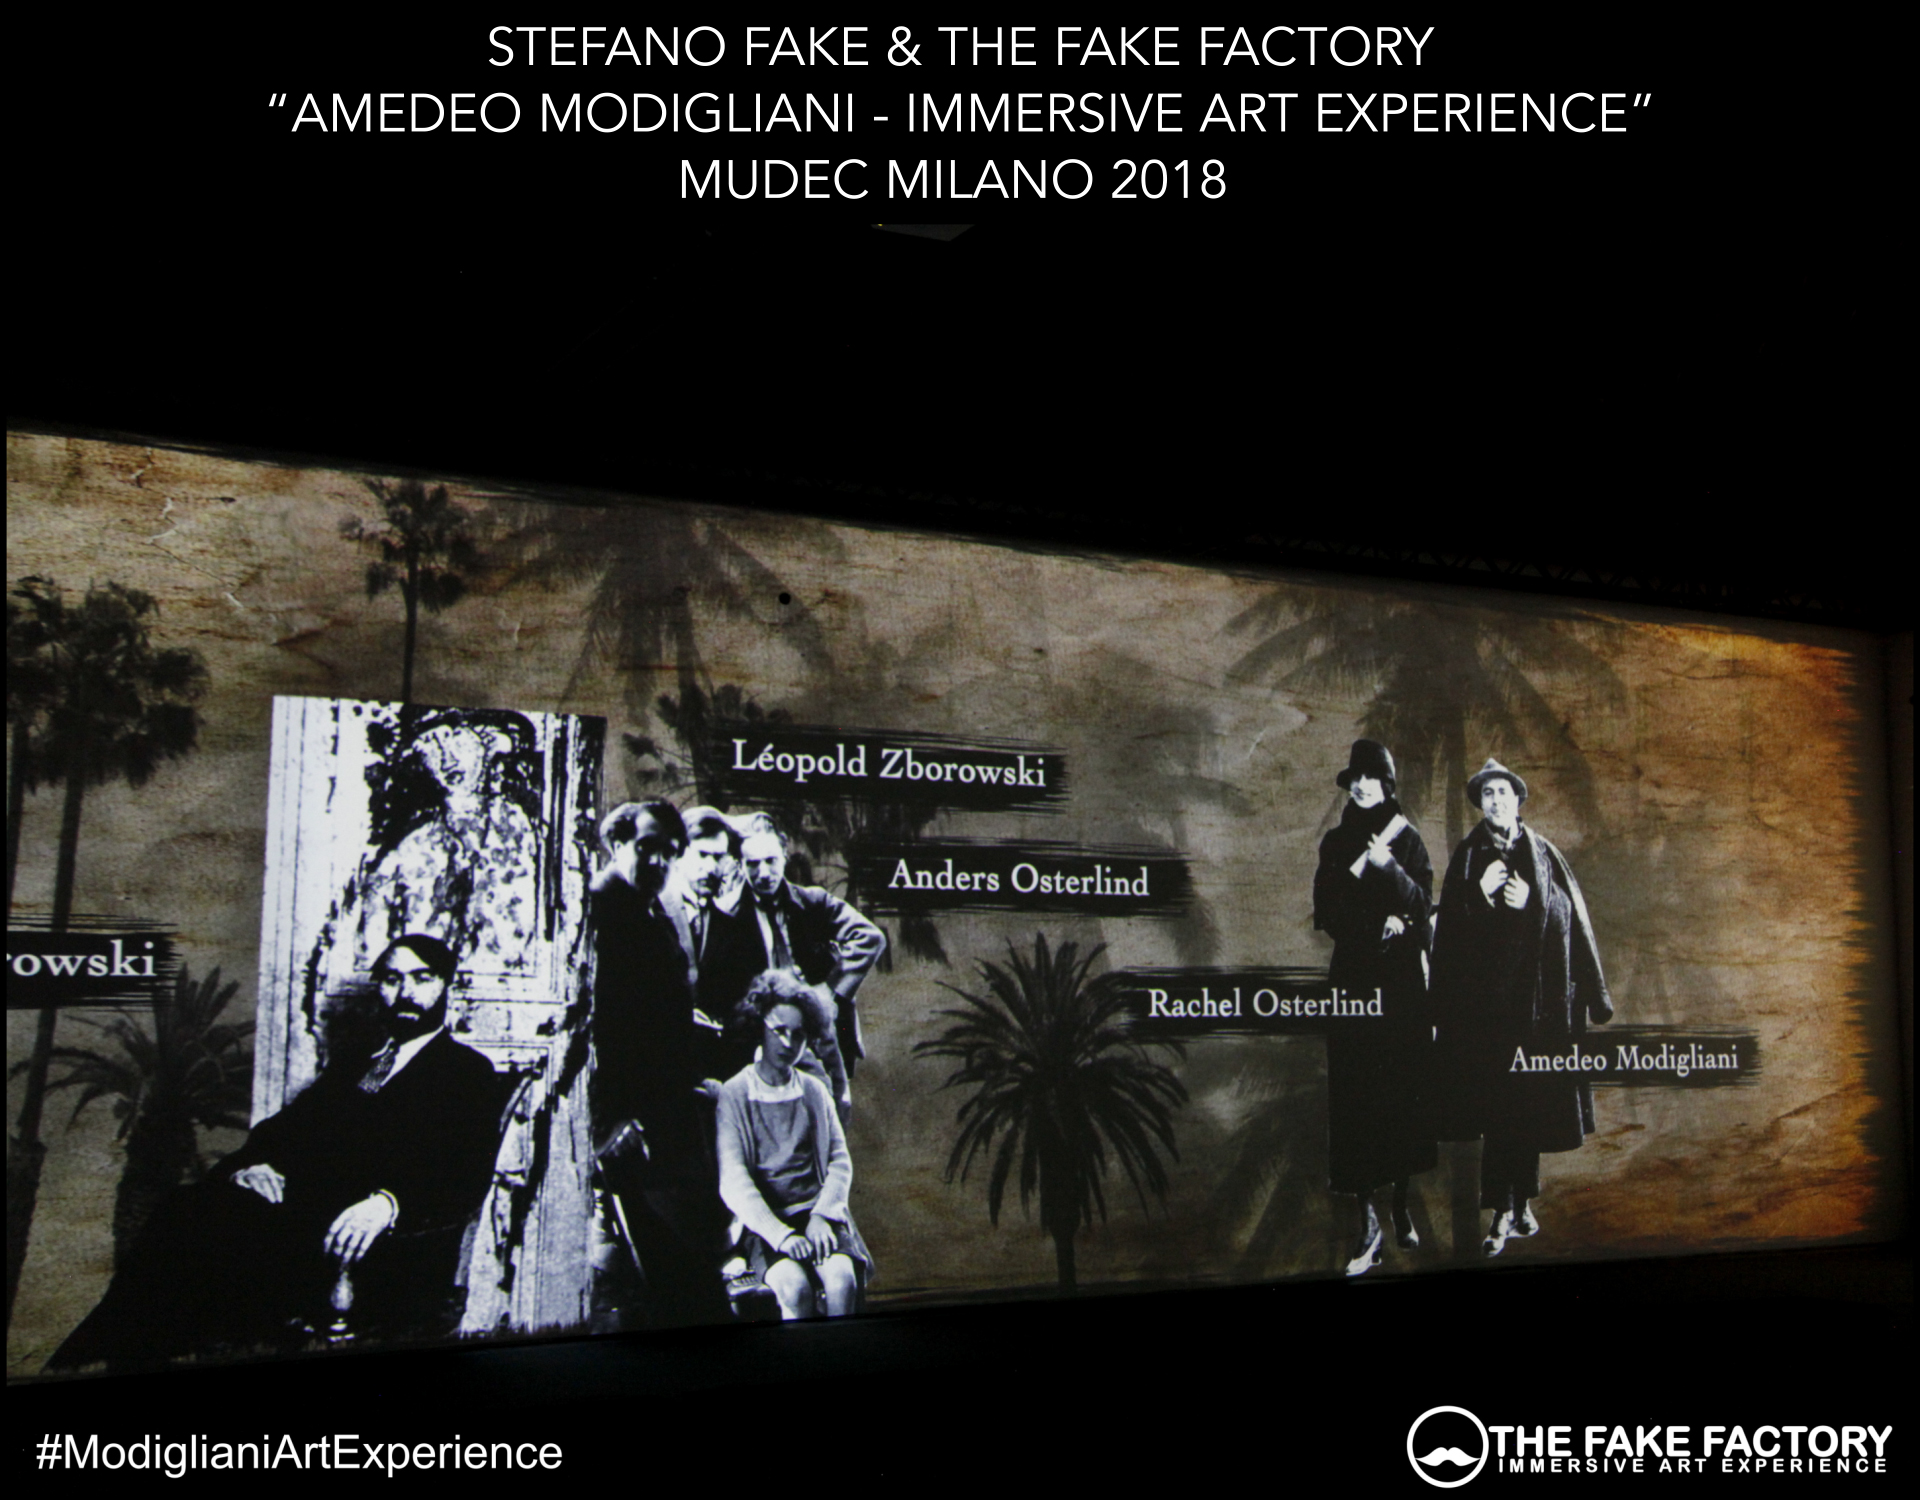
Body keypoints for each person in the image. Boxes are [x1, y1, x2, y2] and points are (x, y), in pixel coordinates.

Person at [50, 934, 508, 1369]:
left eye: (422, 978)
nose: (405, 992)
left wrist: (390, 1204)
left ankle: (94, 1364)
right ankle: (113, 1361)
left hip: (386, 1250)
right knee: (186, 1208)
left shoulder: (467, 1072)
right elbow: (283, 1131)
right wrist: (253, 1166)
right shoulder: (354, 1065)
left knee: (199, 1232)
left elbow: (464, 1174)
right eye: (392, 979)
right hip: (307, 1225)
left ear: (447, 985)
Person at [1431, 758, 1612, 1257]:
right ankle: (1502, 1213)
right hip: (1487, 1012)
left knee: (1528, 1107)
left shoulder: (1544, 853)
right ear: (1481, 804)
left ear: (1517, 799)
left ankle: (1521, 1201)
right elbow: (1449, 936)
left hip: (1535, 1008)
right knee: (1499, 1110)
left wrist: (1532, 901)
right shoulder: (1468, 858)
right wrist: (1480, 896)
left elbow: (1567, 919)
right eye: (1487, 794)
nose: (1496, 801)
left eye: (1503, 792)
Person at [589, 799, 730, 1326]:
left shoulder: (652, 911)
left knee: (687, 1266)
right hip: (632, 1125)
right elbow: (596, 1029)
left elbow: (656, 1005)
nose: (658, 862)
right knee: (671, 1275)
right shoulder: (600, 909)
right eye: (646, 848)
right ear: (618, 842)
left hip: (669, 1112)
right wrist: (608, 1123)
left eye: (670, 853)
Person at [1312, 739, 1436, 1276]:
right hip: (1356, 984)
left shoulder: (1408, 840)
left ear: (1387, 785)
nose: (1361, 786)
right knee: (1357, 1099)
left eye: (1371, 778)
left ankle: (1400, 1203)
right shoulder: (1336, 843)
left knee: (1403, 1094)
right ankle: (1369, 1226)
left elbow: (1423, 909)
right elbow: (1327, 912)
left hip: (1402, 987)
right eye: (1355, 779)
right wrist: (1373, 925)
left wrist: (1390, 871)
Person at [715, 970, 872, 1320]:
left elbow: (839, 1162)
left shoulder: (814, 1090)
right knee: (794, 1289)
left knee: (842, 1280)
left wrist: (821, 1216)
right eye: (779, 1031)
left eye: (798, 1034)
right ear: (759, 1028)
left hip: (818, 1215)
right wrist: (781, 1236)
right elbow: (733, 1181)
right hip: (766, 1224)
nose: (788, 1043)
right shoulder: (735, 1093)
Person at [730, 812, 886, 1117]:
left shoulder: (812, 902)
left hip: (818, 1033)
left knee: (832, 1111)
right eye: (753, 864)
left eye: (771, 861)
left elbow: (870, 937)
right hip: (763, 1036)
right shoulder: (730, 915)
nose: (763, 873)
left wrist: (829, 991)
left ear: (784, 856)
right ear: (740, 865)